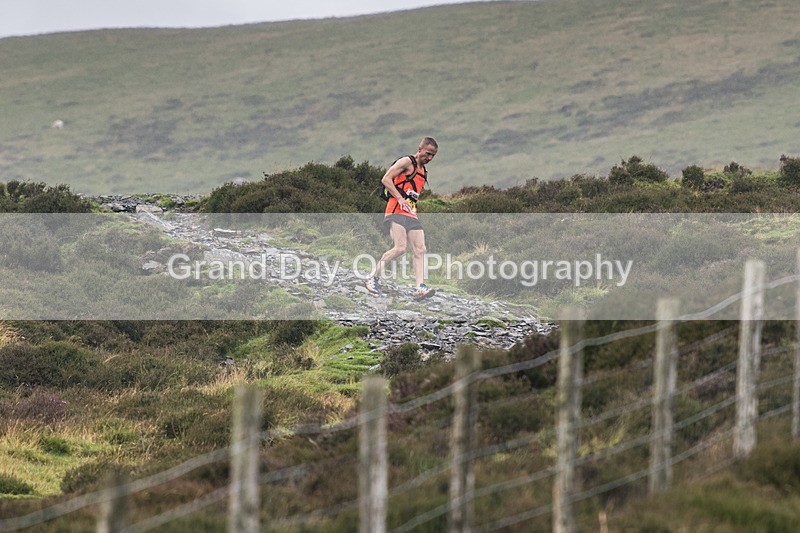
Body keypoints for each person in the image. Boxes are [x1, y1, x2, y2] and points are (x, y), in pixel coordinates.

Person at [365, 137, 438, 298]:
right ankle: (372, 277)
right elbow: (386, 179)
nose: (430, 158)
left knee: (420, 249)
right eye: (428, 154)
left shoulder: (423, 171)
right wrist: (399, 198)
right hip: (396, 209)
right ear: (420, 149)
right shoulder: (407, 162)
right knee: (400, 248)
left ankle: (420, 287)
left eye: (433, 155)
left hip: (411, 212)